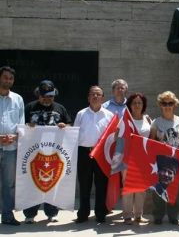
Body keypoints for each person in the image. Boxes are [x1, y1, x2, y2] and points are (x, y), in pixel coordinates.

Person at [23, 80, 72, 224]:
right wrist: (27, 125)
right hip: (33, 154)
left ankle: (52, 213)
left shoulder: (60, 108)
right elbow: (20, 126)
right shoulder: (29, 107)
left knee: (52, 182)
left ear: (54, 95)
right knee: (32, 182)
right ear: (38, 94)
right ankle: (30, 214)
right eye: (44, 96)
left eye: (50, 96)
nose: (47, 99)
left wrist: (65, 126)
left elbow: (70, 125)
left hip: (53, 154)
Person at [74, 86, 113, 223]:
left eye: (98, 94)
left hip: (101, 154)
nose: (95, 96)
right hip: (84, 152)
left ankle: (100, 213)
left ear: (103, 97)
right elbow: (75, 134)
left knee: (101, 185)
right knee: (84, 185)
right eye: (92, 94)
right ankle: (83, 213)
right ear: (88, 97)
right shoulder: (81, 114)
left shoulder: (109, 115)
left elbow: (112, 137)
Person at [149, 91, 179, 225]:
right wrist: (160, 146)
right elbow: (151, 142)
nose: (167, 106)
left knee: (174, 188)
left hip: (176, 160)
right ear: (160, 105)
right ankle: (158, 215)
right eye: (164, 103)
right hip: (161, 161)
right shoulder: (156, 122)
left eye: (170, 103)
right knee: (159, 188)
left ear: (175, 105)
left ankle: (173, 215)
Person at [121, 93, 151, 225]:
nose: (137, 105)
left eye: (140, 103)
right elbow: (119, 139)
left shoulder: (148, 120)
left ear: (143, 105)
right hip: (128, 157)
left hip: (143, 158)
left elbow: (151, 139)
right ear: (130, 105)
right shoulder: (125, 120)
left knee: (141, 188)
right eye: (134, 103)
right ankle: (127, 215)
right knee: (128, 187)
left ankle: (138, 215)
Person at [0, 66, 24, 226]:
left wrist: (15, 136)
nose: (8, 80)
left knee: (8, 184)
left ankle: (7, 216)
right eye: (5, 77)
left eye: (11, 78)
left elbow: (21, 122)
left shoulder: (18, 99)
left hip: (10, 148)